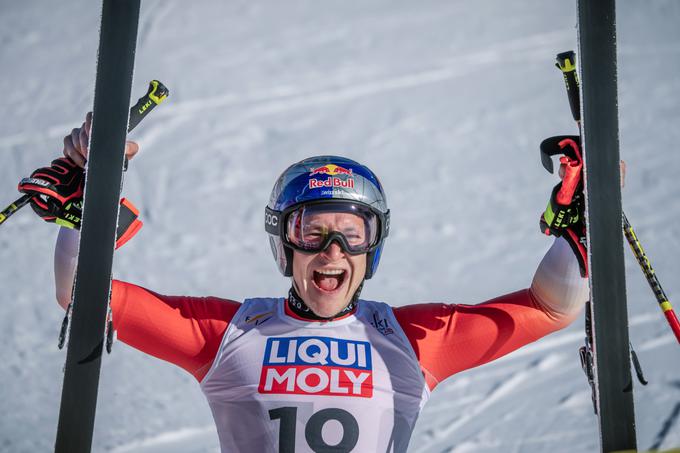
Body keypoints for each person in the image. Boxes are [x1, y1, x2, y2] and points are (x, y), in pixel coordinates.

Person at [27, 113, 588, 452]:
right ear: (283, 243)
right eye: (311, 231)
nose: (333, 251)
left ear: (375, 246)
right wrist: (94, 207)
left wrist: (581, 227)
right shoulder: (227, 333)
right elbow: (82, 297)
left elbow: (550, 308)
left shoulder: (414, 340)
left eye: (352, 233)